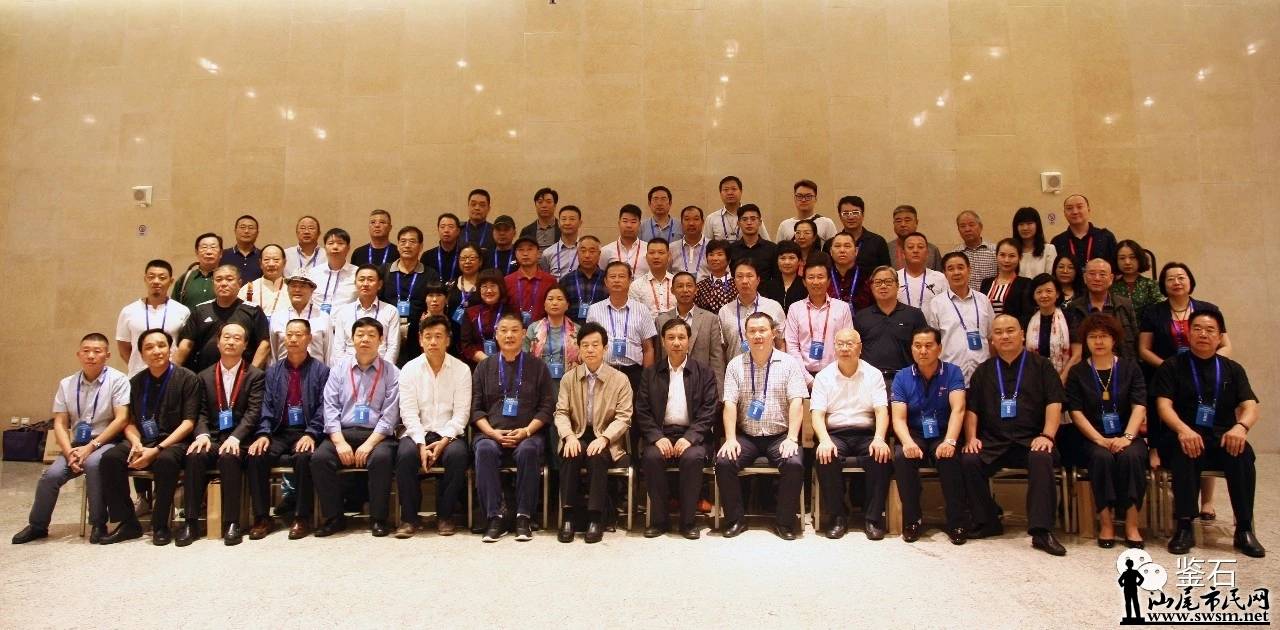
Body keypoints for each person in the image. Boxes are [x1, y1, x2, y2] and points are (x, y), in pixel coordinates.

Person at [1154, 310, 1263, 558]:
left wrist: (1241, 427)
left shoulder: (1233, 369)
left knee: (1243, 453)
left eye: (1210, 330)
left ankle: (1244, 528)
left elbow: (1250, 406)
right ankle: (1184, 526)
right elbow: (1163, 406)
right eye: (1197, 329)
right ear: (1188, 333)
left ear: (1220, 336)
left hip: (1222, 436)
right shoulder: (1172, 366)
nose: (1203, 334)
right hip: (1183, 435)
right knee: (1184, 451)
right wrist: (1183, 430)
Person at [960, 314, 1067, 556]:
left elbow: (1054, 403)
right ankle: (987, 520)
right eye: (998, 332)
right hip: (994, 441)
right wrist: (971, 438)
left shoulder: (1042, 366)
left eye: (1010, 330)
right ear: (992, 339)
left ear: (1022, 335)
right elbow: (972, 409)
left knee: (1042, 457)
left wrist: (1047, 436)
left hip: (1031, 439)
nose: (1005, 336)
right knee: (969, 459)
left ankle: (1041, 531)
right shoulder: (984, 371)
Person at [11, 334, 131, 545]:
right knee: (50, 476)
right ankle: (38, 525)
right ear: (78, 354)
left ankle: (98, 524)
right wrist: (69, 452)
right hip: (76, 445)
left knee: (94, 465)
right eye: (86, 351)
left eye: (97, 351)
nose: (91, 355)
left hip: (106, 441)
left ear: (107, 355)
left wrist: (91, 447)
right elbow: (59, 422)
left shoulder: (118, 380)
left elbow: (121, 419)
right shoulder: (67, 384)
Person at [1139, 264, 1232, 523]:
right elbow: (1144, 349)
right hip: (1166, 375)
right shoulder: (1154, 312)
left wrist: (1210, 362)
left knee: (1206, 428)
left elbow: (1225, 345)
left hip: (1204, 376)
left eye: (1181, 277)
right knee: (1173, 427)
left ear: (1190, 281)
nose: (1176, 282)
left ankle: (1208, 501)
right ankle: (1182, 498)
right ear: (1163, 284)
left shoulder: (1207, 310)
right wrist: (1172, 368)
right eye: (1170, 278)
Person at [98, 329, 202, 546]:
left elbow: (188, 423)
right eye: (149, 347)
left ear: (171, 349)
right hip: (142, 440)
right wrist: (136, 443)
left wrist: (157, 449)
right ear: (142, 354)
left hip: (174, 442)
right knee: (110, 458)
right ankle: (128, 522)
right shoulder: (135, 382)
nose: (156, 351)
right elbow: (129, 422)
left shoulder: (188, 378)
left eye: (162, 345)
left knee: (165, 461)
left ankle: (160, 524)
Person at [716, 312, 809, 540]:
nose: (758, 335)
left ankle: (784, 523)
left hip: (780, 436)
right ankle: (735, 520)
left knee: (794, 463)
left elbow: (797, 402)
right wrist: (730, 439)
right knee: (724, 462)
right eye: (752, 331)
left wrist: (792, 438)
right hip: (747, 436)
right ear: (746, 335)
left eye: (762, 330)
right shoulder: (735, 365)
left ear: (773, 333)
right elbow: (730, 404)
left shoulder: (789, 363)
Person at [1066, 313, 1149, 549]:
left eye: (1104, 336)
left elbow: (1139, 406)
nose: (1099, 341)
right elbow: (1076, 412)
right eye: (1093, 337)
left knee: (1131, 457)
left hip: (1128, 434)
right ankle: (1106, 523)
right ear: (1086, 341)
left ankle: (1132, 524)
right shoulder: (1078, 372)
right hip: (1092, 437)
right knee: (1101, 458)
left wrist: (1127, 437)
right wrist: (1100, 439)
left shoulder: (1130, 368)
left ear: (1114, 339)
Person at [312, 317, 400, 538]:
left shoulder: (392, 372)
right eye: (360, 335)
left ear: (381, 340)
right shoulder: (338, 370)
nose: (365, 339)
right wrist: (339, 442)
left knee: (381, 459)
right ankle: (334, 517)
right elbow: (330, 407)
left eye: (371, 335)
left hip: (377, 435)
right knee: (320, 458)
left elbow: (390, 415)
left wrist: (369, 444)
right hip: (343, 433)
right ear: (352, 339)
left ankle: (378, 518)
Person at [471, 313, 555, 542]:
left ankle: (523, 516)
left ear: (524, 334)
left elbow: (546, 407)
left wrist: (526, 431)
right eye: (504, 330)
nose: (509, 335)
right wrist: (492, 433)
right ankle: (494, 517)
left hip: (528, 433)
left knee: (528, 450)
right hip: (491, 433)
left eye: (515, 330)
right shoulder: (484, 367)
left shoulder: (537, 366)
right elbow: (475, 409)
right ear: (496, 335)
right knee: (485, 450)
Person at [245, 319, 329, 540]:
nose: (292, 339)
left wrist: (311, 433)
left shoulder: (321, 371)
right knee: (256, 455)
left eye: (298, 335)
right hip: (279, 431)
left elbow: (324, 407)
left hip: (307, 431)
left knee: (303, 457)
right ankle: (262, 517)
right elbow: (266, 406)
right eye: (289, 334)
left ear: (309, 338)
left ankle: (302, 517)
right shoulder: (273, 371)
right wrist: (263, 433)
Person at [181, 323, 265, 546]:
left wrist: (236, 437)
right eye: (226, 337)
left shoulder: (255, 376)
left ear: (245, 345)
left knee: (229, 458)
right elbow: (199, 412)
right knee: (194, 455)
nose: (231, 342)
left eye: (237, 338)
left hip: (241, 440)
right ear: (217, 343)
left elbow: (253, 412)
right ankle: (190, 522)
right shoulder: (203, 376)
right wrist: (202, 435)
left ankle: (232, 522)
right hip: (212, 437)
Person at [636, 318, 719, 539]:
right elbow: (642, 410)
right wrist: (656, 437)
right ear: (663, 342)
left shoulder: (704, 373)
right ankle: (660, 521)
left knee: (692, 458)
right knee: (652, 457)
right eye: (671, 337)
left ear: (689, 341)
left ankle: (688, 522)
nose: (676, 342)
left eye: (681, 337)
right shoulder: (650, 373)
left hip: (693, 436)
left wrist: (690, 437)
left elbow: (709, 410)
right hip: (661, 435)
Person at [554, 323, 633, 544]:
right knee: (571, 454)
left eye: (595, 345)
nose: (590, 350)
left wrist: (605, 438)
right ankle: (568, 517)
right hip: (577, 434)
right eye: (585, 345)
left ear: (605, 348)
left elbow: (624, 417)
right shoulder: (568, 378)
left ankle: (595, 518)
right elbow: (561, 413)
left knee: (597, 455)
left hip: (607, 438)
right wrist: (569, 436)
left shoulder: (620, 379)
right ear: (579, 349)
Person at [810, 328, 892, 540]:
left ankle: (872, 518)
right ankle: (837, 517)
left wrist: (879, 439)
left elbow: (881, 411)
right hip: (835, 433)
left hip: (866, 433)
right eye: (840, 344)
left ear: (860, 347)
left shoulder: (873, 374)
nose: (845, 348)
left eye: (850, 344)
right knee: (826, 456)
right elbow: (817, 414)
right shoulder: (823, 376)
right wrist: (824, 440)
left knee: (881, 456)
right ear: (834, 347)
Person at [393, 315, 471, 538]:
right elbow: (408, 413)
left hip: (449, 433)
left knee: (457, 455)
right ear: (420, 340)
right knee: (405, 455)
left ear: (448, 340)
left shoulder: (462, 370)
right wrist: (420, 443)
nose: (433, 342)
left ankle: (445, 516)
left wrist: (444, 440)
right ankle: (409, 518)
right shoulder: (409, 369)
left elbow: (461, 414)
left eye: (438, 336)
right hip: (417, 432)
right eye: (428, 337)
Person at [891, 326, 969, 545]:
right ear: (911, 349)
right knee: (902, 457)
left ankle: (956, 522)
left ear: (939, 348)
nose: (923, 351)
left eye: (928, 345)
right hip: (914, 432)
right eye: (917, 346)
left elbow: (958, 409)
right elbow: (898, 418)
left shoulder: (953, 372)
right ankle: (912, 520)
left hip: (943, 432)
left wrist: (950, 441)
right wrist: (907, 442)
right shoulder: (902, 376)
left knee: (949, 458)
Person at [175, 265, 271, 374]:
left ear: (239, 283)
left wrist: (251, 374)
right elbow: (186, 344)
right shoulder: (200, 310)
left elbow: (265, 345)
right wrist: (173, 372)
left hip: (242, 376)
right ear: (213, 283)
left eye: (229, 279)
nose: (223, 283)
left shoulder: (253, 311)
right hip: (205, 375)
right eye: (218, 279)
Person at [923, 252, 995, 384]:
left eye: (960, 267)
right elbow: (932, 343)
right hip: (950, 377)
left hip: (983, 376)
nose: (956, 272)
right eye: (950, 269)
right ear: (945, 274)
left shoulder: (983, 300)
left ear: (969, 270)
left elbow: (991, 338)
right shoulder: (936, 304)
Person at [586, 261, 657, 392]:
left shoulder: (642, 310)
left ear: (630, 280)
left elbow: (648, 349)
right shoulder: (594, 310)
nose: (617, 280)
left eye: (622, 276)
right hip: (603, 371)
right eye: (612, 277)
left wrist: (646, 379)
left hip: (634, 373)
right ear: (606, 282)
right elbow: (590, 345)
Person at [655, 272, 726, 396]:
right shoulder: (661, 320)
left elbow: (717, 359)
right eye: (680, 286)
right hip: (670, 385)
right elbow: (658, 357)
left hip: (702, 386)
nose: (685, 290)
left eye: (689, 286)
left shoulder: (710, 319)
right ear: (672, 290)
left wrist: (718, 394)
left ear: (696, 289)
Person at [116, 260, 192, 377]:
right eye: (151, 277)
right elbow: (123, 348)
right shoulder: (129, 311)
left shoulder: (182, 311)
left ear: (171, 281)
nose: (156, 281)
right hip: (137, 376)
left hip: (171, 376)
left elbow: (185, 345)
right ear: (145, 279)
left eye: (162, 278)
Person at [784, 253, 853, 379]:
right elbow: (792, 346)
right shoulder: (795, 309)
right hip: (802, 376)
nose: (816, 282)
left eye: (820, 277)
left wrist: (835, 376)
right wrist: (808, 380)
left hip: (835, 376)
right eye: (811, 277)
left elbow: (847, 343)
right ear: (804, 282)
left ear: (828, 281)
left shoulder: (842, 308)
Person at [856, 266, 928, 386]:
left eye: (888, 282)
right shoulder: (861, 317)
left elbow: (924, 348)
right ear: (871, 287)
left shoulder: (914, 315)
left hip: (907, 380)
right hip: (869, 381)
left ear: (897, 285)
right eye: (878, 282)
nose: (883, 286)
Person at [380, 226, 439, 366]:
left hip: (418, 336)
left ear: (421, 246)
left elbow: (434, 301)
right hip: (387, 334)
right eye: (403, 241)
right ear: (397, 245)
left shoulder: (430, 274)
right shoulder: (384, 271)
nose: (407, 245)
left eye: (412, 241)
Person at [1064, 258, 1140, 360]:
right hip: (1087, 365)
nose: (1097, 278)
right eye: (1092, 274)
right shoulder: (1074, 307)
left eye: (1102, 274)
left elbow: (1135, 339)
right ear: (1085, 278)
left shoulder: (1124, 304)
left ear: (1111, 278)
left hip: (1122, 365)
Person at [330, 265, 401, 364]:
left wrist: (384, 370)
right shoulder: (344, 311)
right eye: (361, 279)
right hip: (349, 367)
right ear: (355, 283)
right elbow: (338, 347)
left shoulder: (391, 311)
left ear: (380, 284)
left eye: (370, 280)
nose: (365, 284)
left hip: (380, 367)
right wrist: (344, 369)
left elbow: (393, 347)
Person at [718, 258, 786, 362]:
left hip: (770, 368)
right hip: (736, 369)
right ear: (734, 280)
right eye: (740, 276)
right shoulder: (725, 311)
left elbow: (780, 344)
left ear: (758, 280)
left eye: (749, 276)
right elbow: (722, 349)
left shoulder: (773, 307)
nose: (744, 281)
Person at [524, 286, 581, 403]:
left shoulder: (577, 330)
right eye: (550, 299)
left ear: (567, 305)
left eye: (560, 299)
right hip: (539, 383)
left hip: (570, 383)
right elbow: (524, 357)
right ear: (544, 305)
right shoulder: (534, 328)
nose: (554, 303)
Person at [1024, 274, 1076, 383]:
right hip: (1034, 379)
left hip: (1066, 380)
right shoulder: (1026, 321)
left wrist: (1062, 379)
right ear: (1033, 296)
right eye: (1039, 292)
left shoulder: (1070, 318)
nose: (1044, 295)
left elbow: (1077, 355)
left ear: (1057, 294)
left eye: (1048, 291)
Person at [269, 274, 331, 363]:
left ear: (312, 290)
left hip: (315, 370)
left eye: (303, 286)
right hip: (284, 370)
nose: (297, 290)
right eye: (293, 286)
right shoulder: (277, 317)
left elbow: (329, 354)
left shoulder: (323, 317)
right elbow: (273, 355)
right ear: (287, 289)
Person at [1051, 193, 1118, 271]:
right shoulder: (1058, 241)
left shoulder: (1106, 237)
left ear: (1088, 210)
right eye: (1069, 208)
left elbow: (1115, 268)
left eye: (1079, 207)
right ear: (1064, 213)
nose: (1075, 212)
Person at [823, 195, 891, 271]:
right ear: (840, 216)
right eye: (846, 213)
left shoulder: (878, 242)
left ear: (863, 215)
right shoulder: (830, 244)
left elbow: (887, 272)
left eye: (855, 212)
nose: (851, 217)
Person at [460, 270, 510, 367]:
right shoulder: (470, 312)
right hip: (477, 365)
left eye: (493, 286)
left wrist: (499, 361)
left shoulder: (510, 312)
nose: (489, 290)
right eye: (484, 286)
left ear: (501, 288)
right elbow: (466, 345)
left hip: (506, 364)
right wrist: (486, 360)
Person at [506, 236, 558, 327]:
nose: (525, 254)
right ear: (515, 255)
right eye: (521, 250)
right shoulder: (507, 281)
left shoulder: (550, 281)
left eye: (530, 249)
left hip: (543, 330)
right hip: (514, 330)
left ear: (538, 253)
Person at [306, 228, 358, 313]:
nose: (335, 247)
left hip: (345, 319)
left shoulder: (357, 273)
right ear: (325, 248)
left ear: (348, 248)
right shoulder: (313, 273)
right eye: (330, 243)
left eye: (340, 243)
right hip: (316, 319)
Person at [979, 238, 1032, 322]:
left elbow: (1027, 315)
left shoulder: (1026, 284)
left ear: (1020, 258)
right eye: (1002, 255)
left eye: (1012, 256)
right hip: (987, 329)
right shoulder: (986, 283)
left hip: (1012, 329)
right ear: (996, 256)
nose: (1006, 260)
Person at [704, 175, 770, 241]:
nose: (730, 193)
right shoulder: (711, 218)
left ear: (741, 192)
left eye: (734, 189)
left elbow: (766, 241)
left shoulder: (753, 217)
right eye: (726, 190)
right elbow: (706, 245)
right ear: (720, 193)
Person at [559, 235, 605, 324]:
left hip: (601, 328)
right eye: (583, 251)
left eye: (592, 251)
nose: (587, 255)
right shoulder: (566, 281)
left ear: (599, 254)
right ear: (577, 253)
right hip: (572, 329)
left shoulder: (607, 279)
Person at [896, 232, 947, 312]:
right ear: (903, 254)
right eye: (910, 247)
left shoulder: (940, 278)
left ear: (927, 253)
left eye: (920, 247)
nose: (915, 250)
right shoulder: (894, 277)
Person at [726, 204, 777, 283]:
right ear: (738, 223)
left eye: (753, 219)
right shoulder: (731, 249)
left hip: (765, 290)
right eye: (744, 219)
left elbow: (776, 278)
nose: (749, 223)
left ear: (760, 222)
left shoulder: (772, 249)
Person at [172, 232, 222, 310]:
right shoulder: (186, 278)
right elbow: (174, 307)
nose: (208, 252)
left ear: (221, 253)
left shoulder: (227, 279)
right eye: (204, 247)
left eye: (213, 247)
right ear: (196, 252)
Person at [950, 211, 996, 291]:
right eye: (963, 226)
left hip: (991, 297)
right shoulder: (954, 255)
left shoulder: (995, 251)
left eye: (971, 225)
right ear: (958, 230)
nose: (967, 229)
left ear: (980, 227)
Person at [827, 232, 872, 311]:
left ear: (856, 251)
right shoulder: (824, 276)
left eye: (847, 246)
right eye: (837, 246)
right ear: (831, 251)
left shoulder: (868, 277)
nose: (842, 250)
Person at [238, 244, 287, 318]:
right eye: (266, 260)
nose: (271, 264)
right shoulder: (248, 288)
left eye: (276, 260)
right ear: (260, 263)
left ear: (284, 263)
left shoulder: (292, 288)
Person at [1111, 239, 1161, 312]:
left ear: (1140, 259)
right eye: (1122, 258)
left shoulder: (1151, 285)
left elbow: (1160, 310)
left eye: (1132, 257)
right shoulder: (1111, 287)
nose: (1127, 262)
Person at [600, 204, 649, 277]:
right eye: (625, 221)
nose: (629, 225)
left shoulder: (648, 249)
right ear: (619, 223)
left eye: (633, 222)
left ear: (639, 224)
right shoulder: (606, 251)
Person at [629, 238, 675, 315]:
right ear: (646, 257)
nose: (656, 256)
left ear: (668, 256)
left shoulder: (677, 283)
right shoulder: (637, 285)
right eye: (652, 253)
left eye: (661, 252)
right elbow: (635, 315)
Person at [447, 243, 484, 335]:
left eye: (472, 258)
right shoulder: (450, 284)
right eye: (463, 258)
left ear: (480, 261)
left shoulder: (485, 285)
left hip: (478, 334)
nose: (467, 261)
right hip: (454, 334)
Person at [889, 205, 942, 270]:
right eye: (898, 221)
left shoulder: (932, 250)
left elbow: (939, 274)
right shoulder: (887, 249)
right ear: (893, 223)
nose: (903, 224)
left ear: (916, 223)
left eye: (907, 220)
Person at [761, 241, 807, 314]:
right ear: (777, 261)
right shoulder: (769, 286)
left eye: (792, 258)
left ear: (800, 261)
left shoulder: (805, 285)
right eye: (782, 258)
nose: (787, 262)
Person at [694, 239, 737, 314]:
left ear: (729, 260)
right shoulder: (700, 286)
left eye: (720, 254)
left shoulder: (737, 284)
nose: (715, 258)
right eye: (711, 254)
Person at [1012, 207, 1057, 278]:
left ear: (1037, 225)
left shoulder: (1049, 249)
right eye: (1021, 224)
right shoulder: (1012, 251)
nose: (1025, 228)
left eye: (1029, 223)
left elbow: (1050, 278)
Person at [540, 205, 581, 280]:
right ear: (558, 223)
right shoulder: (547, 253)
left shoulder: (586, 251)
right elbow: (545, 279)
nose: (567, 223)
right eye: (564, 219)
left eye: (572, 219)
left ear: (580, 223)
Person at [672, 205, 710, 280]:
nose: (691, 223)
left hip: (707, 286)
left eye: (696, 219)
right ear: (681, 223)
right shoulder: (672, 248)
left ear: (702, 222)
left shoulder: (712, 246)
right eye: (687, 219)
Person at [424, 213, 463, 283]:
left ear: (458, 231)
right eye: (442, 227)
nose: (446, 230)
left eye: (450, 227)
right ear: (438, 230)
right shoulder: (427, 256)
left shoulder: (464, 255)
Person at [222, 215, 262, 282]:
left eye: (251, 228)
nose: (246, 231)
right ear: (235, 231)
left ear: (257, 233)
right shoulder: (223, 255)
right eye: (242, 227)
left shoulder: (263, 256)